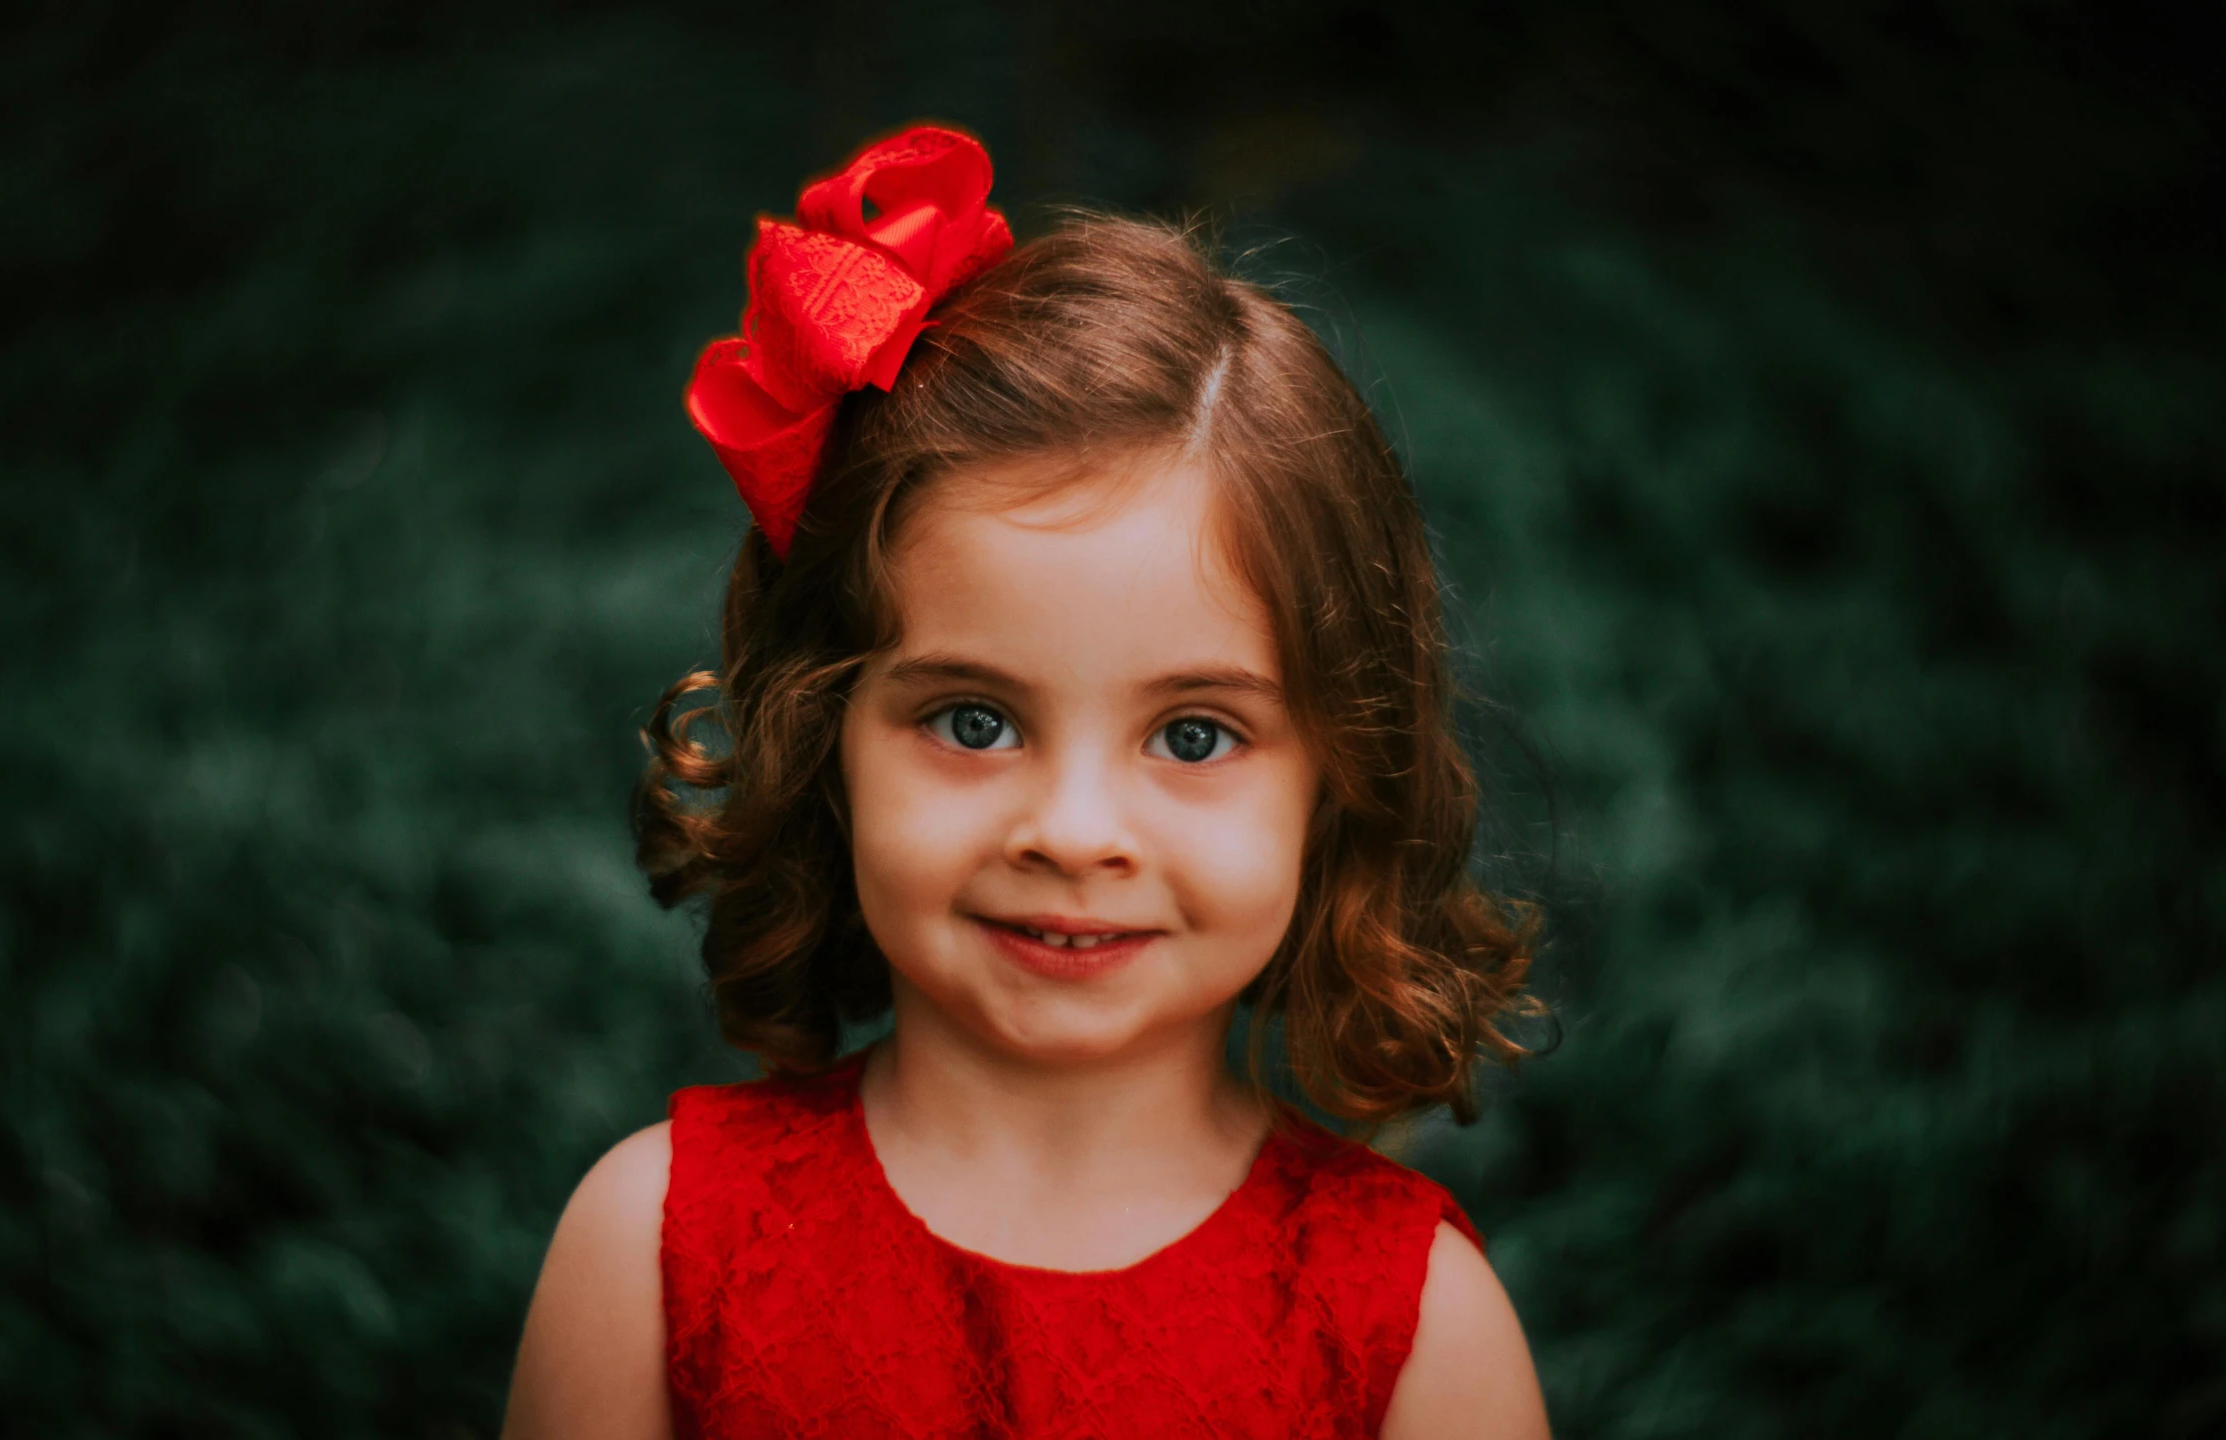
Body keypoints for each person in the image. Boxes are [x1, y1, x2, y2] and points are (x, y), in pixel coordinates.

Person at [503, 125, 1551, 1440]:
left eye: (1190, 737)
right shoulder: (650, 1254)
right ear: (821, 732)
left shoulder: (1415, 1330)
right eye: (973, 719)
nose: (1071, 832)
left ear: (1339, 776)